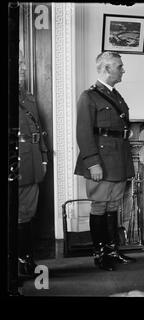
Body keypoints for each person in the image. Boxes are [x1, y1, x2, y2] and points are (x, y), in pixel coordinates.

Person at [74, 52, 137, 271]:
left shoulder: (116, 95)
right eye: (119, 66)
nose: (123, 70)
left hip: (118, 157)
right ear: (106, 69)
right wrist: (92, 163)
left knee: (113, 205)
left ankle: (112, 250)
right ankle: (100, 253)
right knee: (99, 205)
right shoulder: (88, 97)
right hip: (100, 160)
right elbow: (83, 132)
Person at [18, 51, 48, 277]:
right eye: (19, 63)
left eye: (24, 63)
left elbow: (38, 132)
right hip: (16, 162)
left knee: (27, 212)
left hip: (32, 162)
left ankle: (25, 257)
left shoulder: (28, 98)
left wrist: (44, 157)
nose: (24, 68)